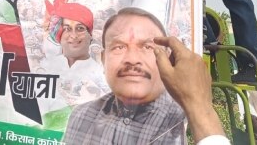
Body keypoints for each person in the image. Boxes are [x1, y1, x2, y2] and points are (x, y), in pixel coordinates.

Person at [63, 8, 187, 144]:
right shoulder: (81, 117)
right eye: (119, 47)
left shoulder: (189, 119)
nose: (132, 59)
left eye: (147, 47)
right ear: (104, 60)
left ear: (167, 58)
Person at [39, 1, 108, 107]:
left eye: (80, 28)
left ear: (90, 35)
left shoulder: (99, 73)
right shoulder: (46, 66)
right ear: (59, 34)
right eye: (67, 29)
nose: (73, 35)